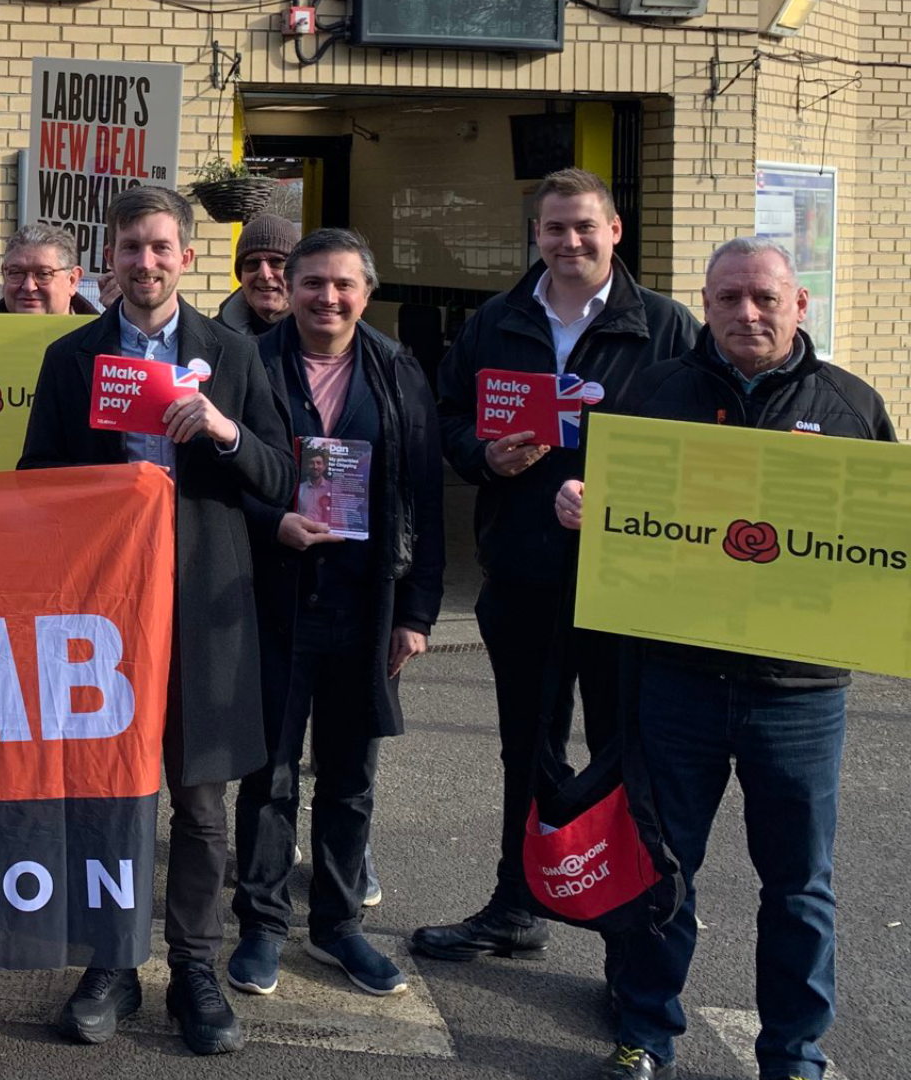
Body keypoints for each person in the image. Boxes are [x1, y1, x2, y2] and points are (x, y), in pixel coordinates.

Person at [557, 237, 893, 1080]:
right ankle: (644, 1032)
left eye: (765, 299)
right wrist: (579, 506)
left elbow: (883, 550)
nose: (747, 314)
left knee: (800, 887)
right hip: (678, 681)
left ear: (798, 305)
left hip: (801, 692)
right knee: (660, 870)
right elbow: (610, 511)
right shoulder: (655, 395)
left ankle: (792, 1052)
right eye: (729, 299)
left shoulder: (852, 406)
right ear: (704, 305)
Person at [18, 187, 295, 1056]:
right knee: (109, 799)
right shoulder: (71, 358)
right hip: (103, 617)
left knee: (202, 805)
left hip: (204, 609)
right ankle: (111, 965)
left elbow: (283, 478)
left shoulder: (234, 355)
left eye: (161, 247)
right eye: (132, 248)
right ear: (112, 259)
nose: (146, 262)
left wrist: (220, 430)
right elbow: (35, 482)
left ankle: (196, 971)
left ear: (186, 258)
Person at [417, 168, 698, 964]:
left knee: (621, 750)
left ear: (615, 231)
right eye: (553, 229)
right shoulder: (498, 320)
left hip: (627, 578)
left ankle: (627, 945)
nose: (568, 242)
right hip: (524, 569)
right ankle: (516, 902)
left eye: (583, 227)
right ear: (534, 236)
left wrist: (615, 491)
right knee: (528, 747)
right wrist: (482, 454)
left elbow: (702, 445)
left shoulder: (668, 328)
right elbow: (448, 414)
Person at [226, 228, 443, 1002]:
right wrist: (269, 521)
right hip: (273, 598)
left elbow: (424, 491)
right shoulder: (248, 360)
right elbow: (221, 476)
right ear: (290, 285)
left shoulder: (397, 370)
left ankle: (339, 926)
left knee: (350, 777)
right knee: (269, 773)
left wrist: (417, 611)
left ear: (366, 291)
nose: (326, 297)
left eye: (342, 284)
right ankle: (259, 924)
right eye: (311, 281)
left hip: (365, 602)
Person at [217, 214, 299, 338]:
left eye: (277, 262)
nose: (264, 275)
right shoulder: (212, 339)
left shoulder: (322, 337)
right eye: (252, 263)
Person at [0, 224, 98, 315]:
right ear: (4, 275)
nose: (29, 287)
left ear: (72, 280)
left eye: (43, 274)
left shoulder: (107, 338)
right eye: (16, 273)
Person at [295, 450, 332, 522]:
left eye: (318, 463)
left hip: (325, 532)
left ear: (324, 466)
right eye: (312, 463)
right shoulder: (299, 489)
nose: (315, 466)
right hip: (303, 531)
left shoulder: (332, 489)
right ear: (307, 466)